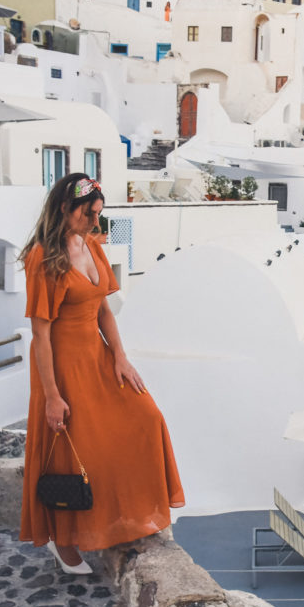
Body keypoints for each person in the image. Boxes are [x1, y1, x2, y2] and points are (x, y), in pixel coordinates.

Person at [19, 174, 184, 574]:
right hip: (60, 365)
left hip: (98, 356)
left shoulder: (90, 244)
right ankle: (63, 540)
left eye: (98, 214)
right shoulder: (43, 256)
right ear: (64, 208)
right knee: (70, 448)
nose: (95, 222)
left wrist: (120, 358)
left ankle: (124, 517)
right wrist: (53, 395)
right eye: (89, 214)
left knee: (146, 417)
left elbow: (104, 309)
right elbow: (41, 334)